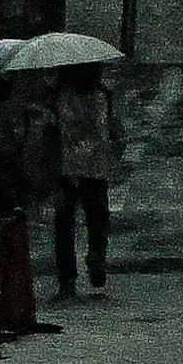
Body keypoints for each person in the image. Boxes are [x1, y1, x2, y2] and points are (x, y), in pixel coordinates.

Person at [52, 58, 122, 294]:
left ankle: (70, 275)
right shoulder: (102, 96)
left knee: (67, 222)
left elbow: (63, 130)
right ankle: (93, 257)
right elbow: (111, 129)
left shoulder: (63, 96)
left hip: (71, 166)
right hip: (93, 166)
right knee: (95, 218)